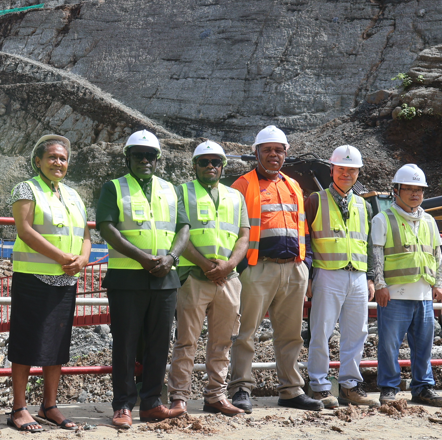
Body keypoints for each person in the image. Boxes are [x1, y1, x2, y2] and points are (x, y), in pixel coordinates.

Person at [96, 129, 190, 429]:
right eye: (138, 155)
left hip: (165, 279)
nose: (145, 160)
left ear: (158, 159)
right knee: (124, 343)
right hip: (127, 279)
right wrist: (142, 258)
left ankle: (151, 403)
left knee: (159, 343)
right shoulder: (114, 188)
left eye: (150, 155)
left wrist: (172, 258)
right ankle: (123, 404)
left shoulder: (171, 189)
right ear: (128, 158)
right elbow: (107, 227)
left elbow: (184, 228)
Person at [227, 125, 322, 412]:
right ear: (256, 153)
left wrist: (305, 266)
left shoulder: (293, 185)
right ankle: (241, 388)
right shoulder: (242, 185)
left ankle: (291, 390)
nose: (273, 155)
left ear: (285, 154)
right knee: (245, 332)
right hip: (257, 269)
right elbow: (232, 229)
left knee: (291, 333)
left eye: (278, 150)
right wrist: (241, 267)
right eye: (267, 150)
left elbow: (301, 228)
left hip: (293, 269)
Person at [7, 135, 91, 432]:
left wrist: (82, 258)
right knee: (26, 340)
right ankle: (19, 408)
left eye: (63, 158)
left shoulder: (73, 195)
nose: (58, 162)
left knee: (57, 344)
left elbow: (86, 235)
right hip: (33, 279)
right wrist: (63, 258)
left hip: (66, 280)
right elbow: (25, 230)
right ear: (38, 161)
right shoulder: (26, 188)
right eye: (53, 157)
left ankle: (49, 405)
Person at [167, 141, 249, 417]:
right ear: (194, 165)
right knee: (186, 340)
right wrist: (204, 265)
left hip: (228, 279)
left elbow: (244, 236)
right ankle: (179, 397)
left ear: (223, 165)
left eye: (216, 162)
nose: (210, 166)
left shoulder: (236, 196)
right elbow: (179, 233)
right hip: (193, 276)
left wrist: (228, 266)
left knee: (222, 341)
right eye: (204, 162)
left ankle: (216, 395)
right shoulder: (181, 192)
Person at [304, 145, 379, 408]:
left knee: (356, 332)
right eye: (341, 169)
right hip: (327, 273)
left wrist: (370, 276)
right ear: (332, 170)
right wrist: (310, 276)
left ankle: (350, 385)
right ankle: (319, 385)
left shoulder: (363, 204)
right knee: (321, 331)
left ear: (358, 172)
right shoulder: (316, 199)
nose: (346, 174)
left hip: (357, 276)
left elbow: (368, 243)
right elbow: (307, 240)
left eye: (352, 170)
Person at [373, 164, 442, 407]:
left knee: (424, 346)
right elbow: (375, 255)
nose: (415, 194)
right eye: (409, 189)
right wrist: (380, 284)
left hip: (424, 294)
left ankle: (423, 387)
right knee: (389, 344)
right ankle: (388, 388)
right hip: (394, 294)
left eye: (420, 189)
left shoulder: (428, 221)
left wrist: (439, 283)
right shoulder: (383, 219)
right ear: (396, 190)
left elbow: (437, 254)